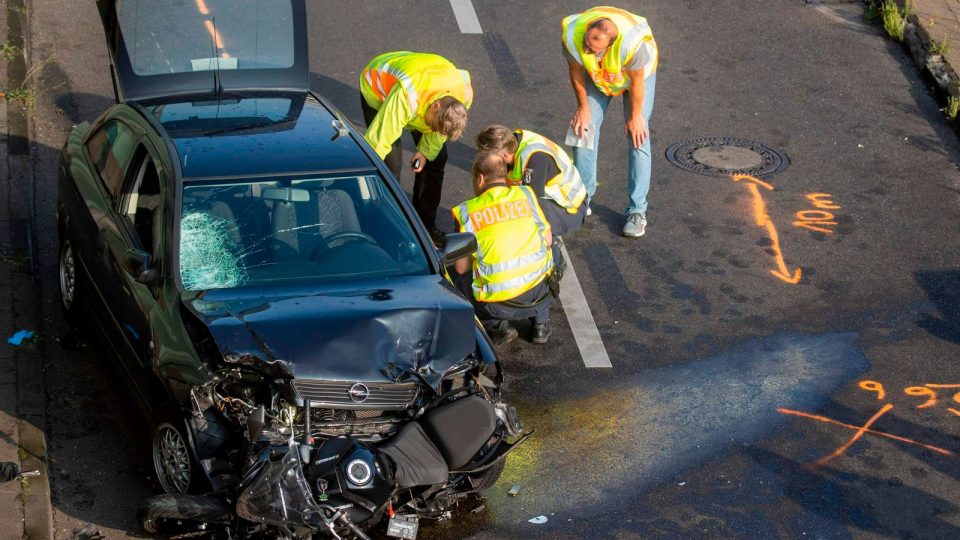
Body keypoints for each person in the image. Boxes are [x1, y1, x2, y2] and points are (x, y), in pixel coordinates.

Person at [562, 6, 658, 237]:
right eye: (586, 43)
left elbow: (636, 84)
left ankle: (637, 211)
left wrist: (636, 118)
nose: (586, 49)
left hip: (635, 79)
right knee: (581, 129)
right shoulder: (573, 35)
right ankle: (583, 198)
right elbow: (576, 72)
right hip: (601, 77)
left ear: (610, 45)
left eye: (593, 49)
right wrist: (583, 108)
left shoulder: (633, 46)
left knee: (638, 138)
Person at [359, 51, 472, 241]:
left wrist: (424, 152)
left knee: (436, 158)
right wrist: (364, 174)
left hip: (422, 98)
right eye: (431, 125)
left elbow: (438, 131)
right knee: (390, 165)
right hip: (378, 90)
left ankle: (424, 228)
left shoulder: (463, 94)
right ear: (435, 106)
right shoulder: (406, 95)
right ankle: (385, 228)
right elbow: (379, 141)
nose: (431, 130)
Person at [452, 152, 555, 345]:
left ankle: (496, 326)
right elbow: (547, 239)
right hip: (538, 294)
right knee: (554, 253)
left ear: (480, 179)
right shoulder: (526, 194)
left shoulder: (467, 212)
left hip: (498, 305)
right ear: (505, 176)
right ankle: (540, 324)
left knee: (455, 275)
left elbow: (461, 268)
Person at [475, 125, 588, 237]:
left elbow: (530, 203)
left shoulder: (535, 160)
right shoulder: (511, 142)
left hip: (571, 209)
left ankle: (551, 247)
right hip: (554, 200)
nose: (483, 160)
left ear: (504, 155)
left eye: (486, 156)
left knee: (522, 213)